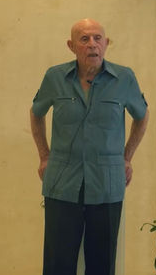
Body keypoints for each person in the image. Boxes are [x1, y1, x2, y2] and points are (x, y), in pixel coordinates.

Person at [30, 18, 149, 275]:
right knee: (58, 264)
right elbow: (36, 113)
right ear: (71, 46)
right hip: (62, 182)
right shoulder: (55, 77)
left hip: (107, 183)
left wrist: (127, 157)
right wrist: (44, 156)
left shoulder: (124, 78)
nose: (92, 44)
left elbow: (142, 116)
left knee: (102, 264)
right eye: (84, 39)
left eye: (98, 38)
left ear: (106, 43)